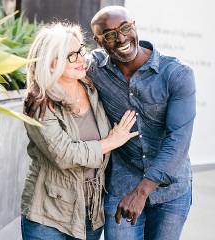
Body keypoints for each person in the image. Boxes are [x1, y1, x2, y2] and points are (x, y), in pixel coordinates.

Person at [25, 6, 196, 240]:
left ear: (134, 26)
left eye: (125, 28)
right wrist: (40, 90)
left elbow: (178, 141)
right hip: (115, 187)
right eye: (110, 35)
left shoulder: (176, 75)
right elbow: (58, 65)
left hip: (171, 190)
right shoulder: (91, 71)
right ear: (99, 41)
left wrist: (142, 191)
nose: (121, 38)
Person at [21, 22, 139, 240]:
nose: (81, 59)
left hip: (90, 215)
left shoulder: (92, 87)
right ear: (51, 62)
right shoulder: (39, 103)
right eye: (71, 55)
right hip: (49, 216)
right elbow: (64, 155)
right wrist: (111, 142)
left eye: (81, 51)